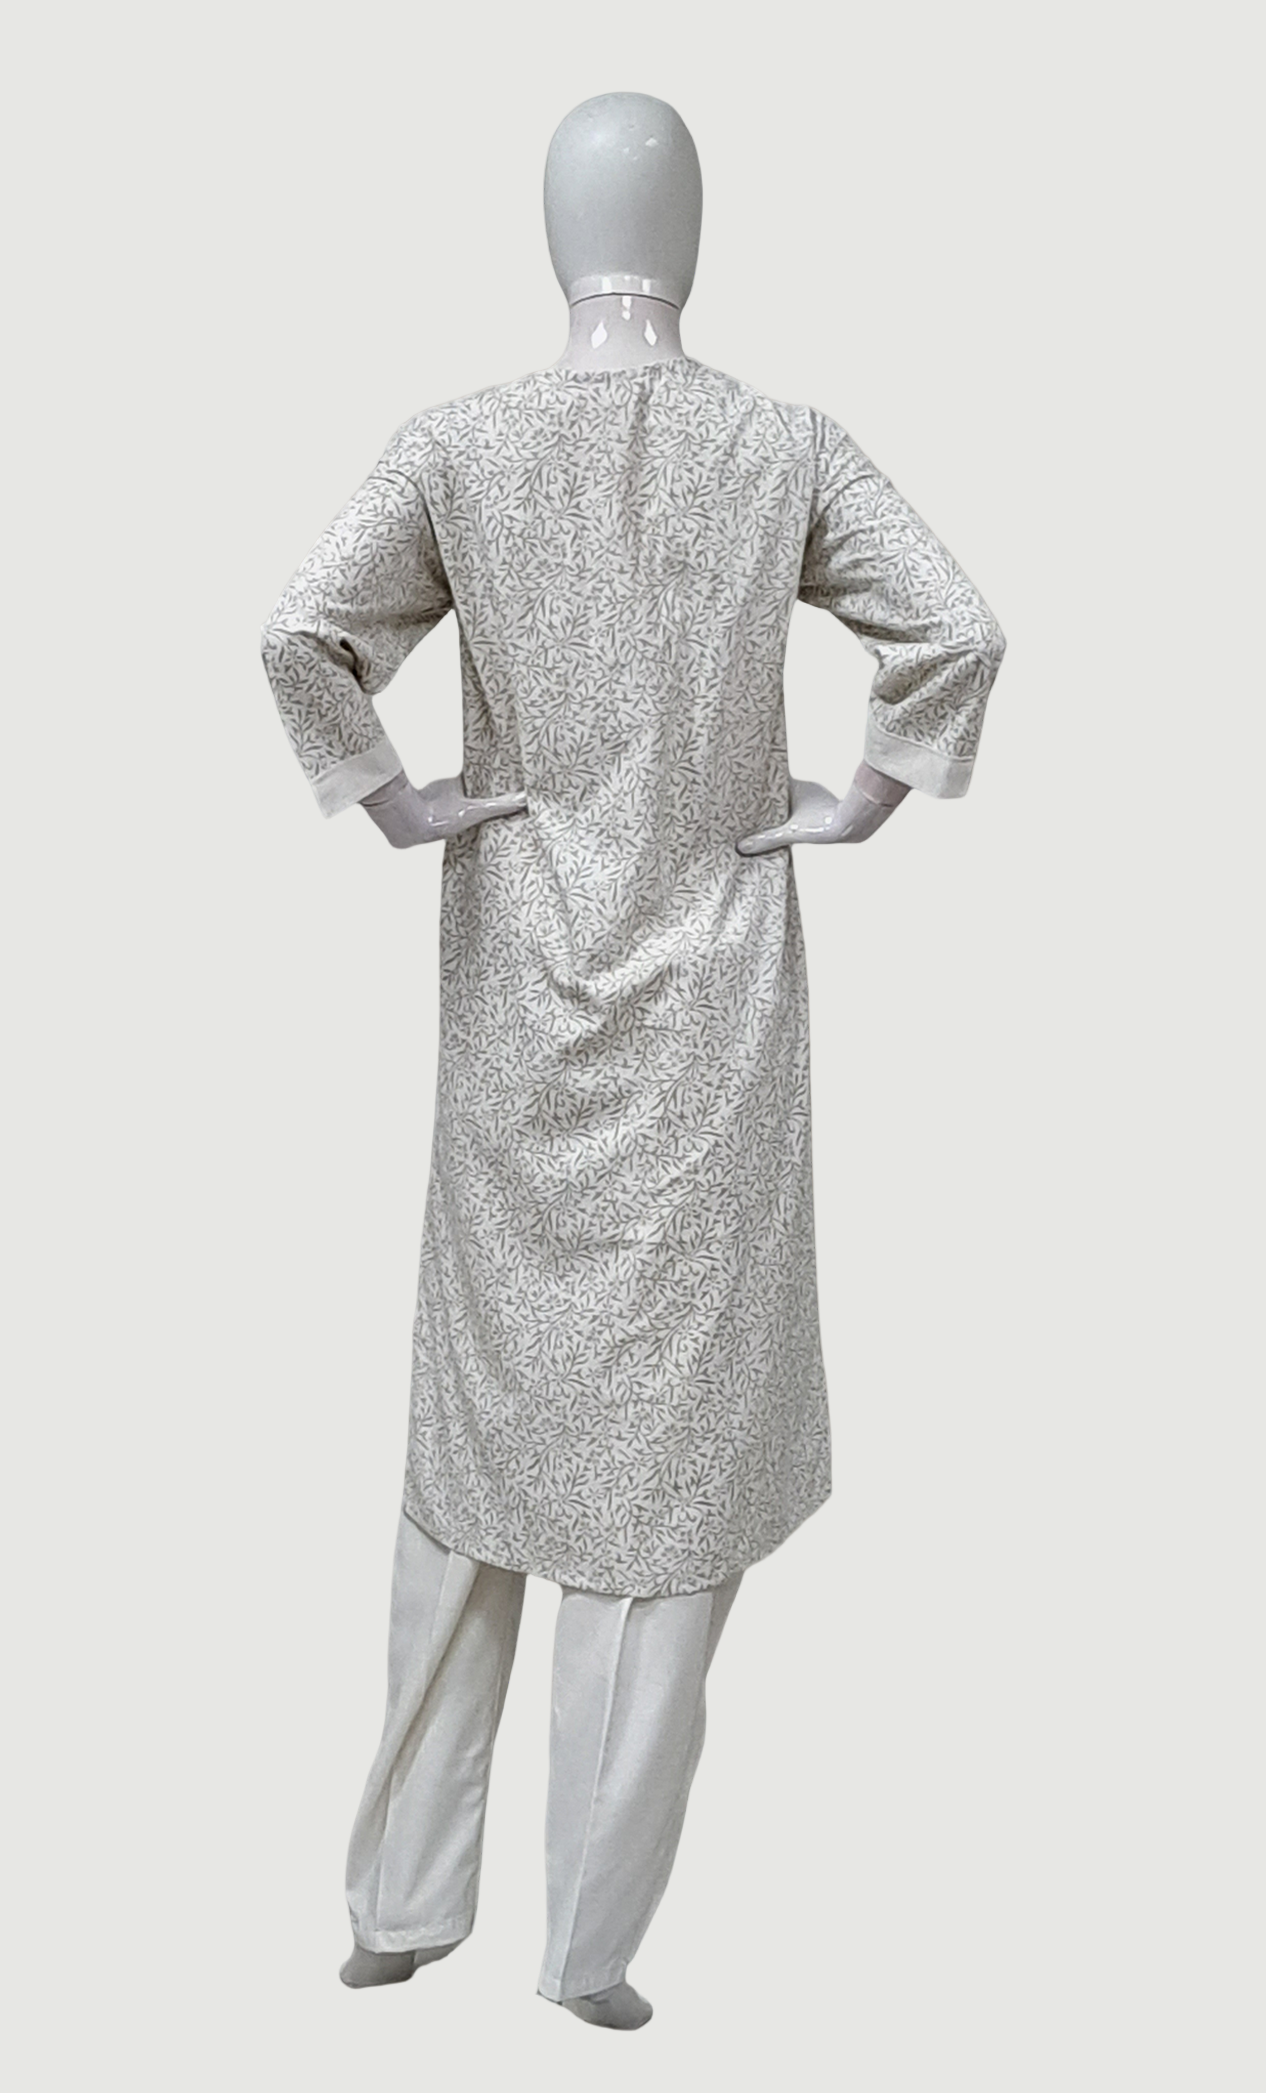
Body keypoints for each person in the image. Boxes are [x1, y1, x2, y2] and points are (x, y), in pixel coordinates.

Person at [259, 92, 1006, 2030]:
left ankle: (397, 1905)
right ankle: (585, 1949)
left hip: (517, 1008)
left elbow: (302, 631)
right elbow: (956, 622)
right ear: (689, 235)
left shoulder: (457, 444)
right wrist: (861, 797)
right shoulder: (783, 445)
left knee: (477, 1443)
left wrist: (397, 803)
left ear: (553, 231)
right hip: (710, 1023)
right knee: (663, 1485)